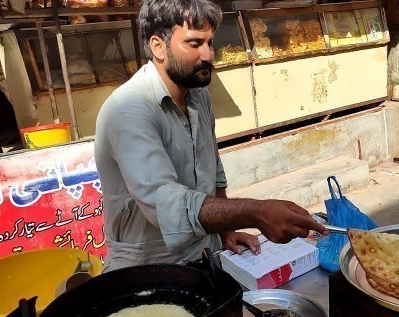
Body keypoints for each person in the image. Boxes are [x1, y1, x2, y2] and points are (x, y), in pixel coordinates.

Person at [94, 0, 328, 271]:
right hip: (148, 266)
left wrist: (225, 231)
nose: (207, 55)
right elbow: (164, 202)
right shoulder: (128, 110)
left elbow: (212, 165)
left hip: (203, 251)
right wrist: (256, 211)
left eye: (210, 43)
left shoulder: (197, 92)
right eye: (194, 44)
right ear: (158, 46)